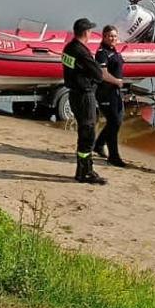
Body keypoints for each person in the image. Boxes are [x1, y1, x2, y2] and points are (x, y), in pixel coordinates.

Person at [60, 17, 107, 185]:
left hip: (74, 94)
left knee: (84, 131)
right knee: (88, 133)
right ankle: (85, 171)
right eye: (90, 31)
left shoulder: (68, 48)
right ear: (86, 32)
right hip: (84, 95)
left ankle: (82, 170)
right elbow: (99, 74)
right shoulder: (81, 51)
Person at [94, 25, 129, 168]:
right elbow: (102, 73)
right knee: (114, 122)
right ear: (104, 37)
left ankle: (99, 144)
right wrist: (117, 81)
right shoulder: (102, 53)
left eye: (114, 36)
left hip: (115, 92)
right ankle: (114, 156)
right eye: (110, 36)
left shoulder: (114, 51)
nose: (113, 38)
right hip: (105, 93)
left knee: (116, 121)